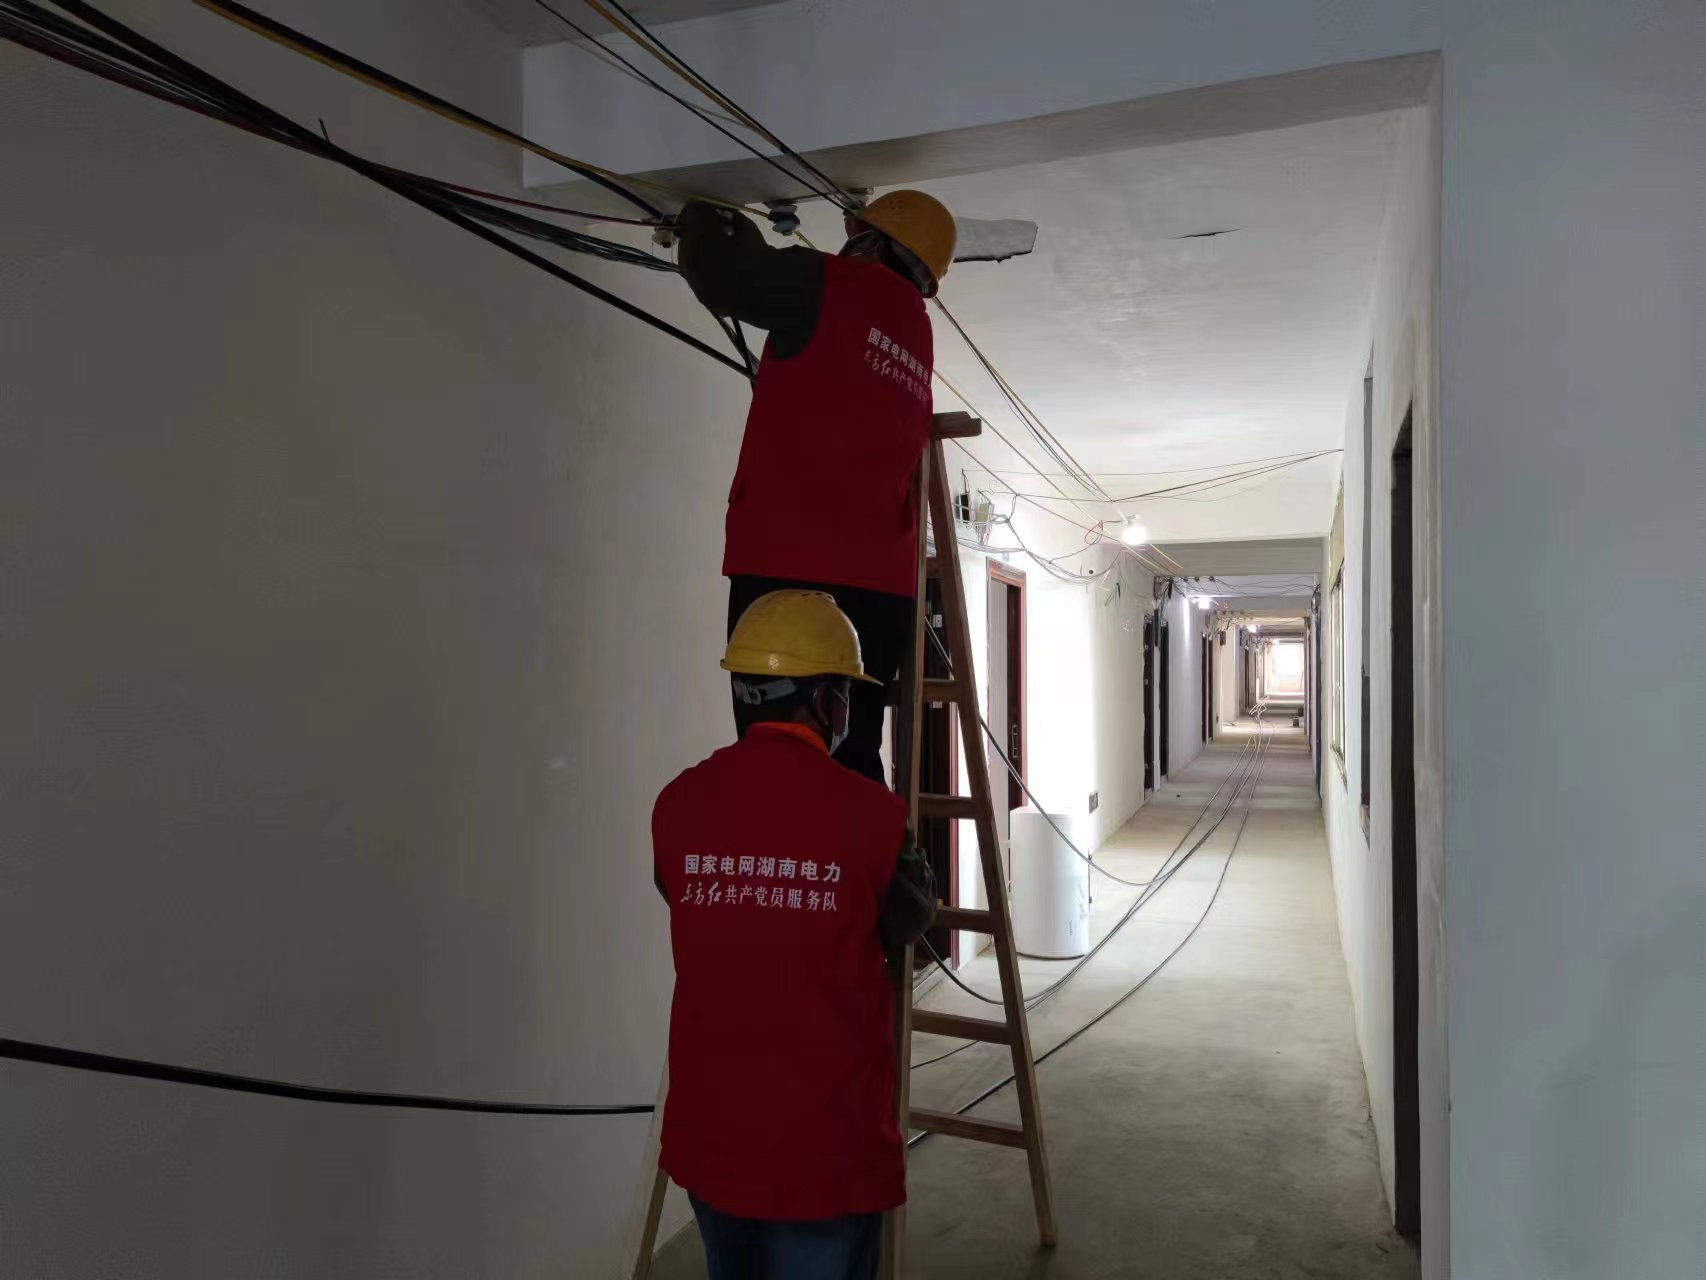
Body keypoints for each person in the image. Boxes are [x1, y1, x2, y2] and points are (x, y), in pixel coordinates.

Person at [652, 590, 937, 1280]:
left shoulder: (677, 804)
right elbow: (911, 918)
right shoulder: (872, 817)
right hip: (825, 1153)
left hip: (712, 1142)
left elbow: (681, 895)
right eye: (846, 694)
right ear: (825, 699)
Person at [676, 190, 957, 785]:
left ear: (873, 240)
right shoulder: (918, 334)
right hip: (880, 587)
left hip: (791, 567)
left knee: (776, 757)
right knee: (850, 756)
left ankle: (791, 851)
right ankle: (869, 848)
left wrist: (700, 214)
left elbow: (730, 277)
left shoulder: (832, 283)